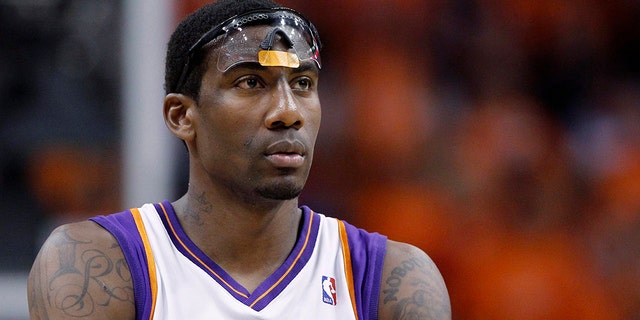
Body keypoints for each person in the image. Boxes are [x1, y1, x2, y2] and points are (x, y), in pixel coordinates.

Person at [27, 0, 451, 319]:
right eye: (251, 82)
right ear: (181, 116)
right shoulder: (98, 264)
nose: (289, 110)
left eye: (303, 83)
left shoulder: (391, 281)